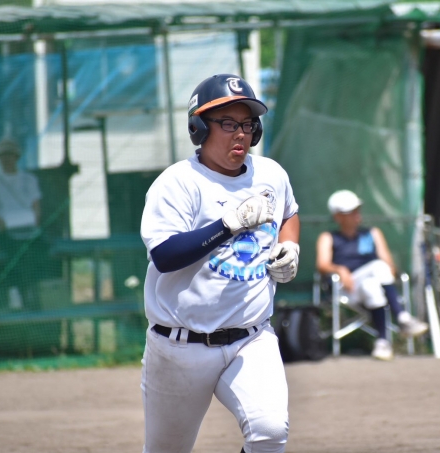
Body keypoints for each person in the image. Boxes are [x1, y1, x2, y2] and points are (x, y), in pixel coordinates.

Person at [139, 74, 299, 453]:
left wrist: (290, 247)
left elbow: (289, 212)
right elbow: (165, 256)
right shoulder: (178, 183)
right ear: (199, 127)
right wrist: (227, 225)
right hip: (180, 347)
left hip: (251, 338)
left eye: (247, 123)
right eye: (227, 123)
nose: (240, 133)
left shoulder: (270, 174)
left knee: (270, 432)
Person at [316, 189, 428, 361]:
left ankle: (382, 342)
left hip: (373, 284)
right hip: (346, 289)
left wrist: (389, 271)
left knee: (373, 283)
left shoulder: (372, 233)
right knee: (378, 267)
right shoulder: (328, 237)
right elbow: (322, 264)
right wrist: (340, 270)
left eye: (357, 210)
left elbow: (388, 265)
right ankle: (402, 317)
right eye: (350, 211)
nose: (356, 214)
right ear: (338, 217)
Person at [0, 138, 42, 310]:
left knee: (39, 249)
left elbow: (36, 205)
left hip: (27, 227)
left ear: (17, 157)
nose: (7, 159)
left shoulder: (29, 179)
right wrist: (0, 222)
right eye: (3, 156)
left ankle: (35, 291)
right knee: (13, 254)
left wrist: (35, 221)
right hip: (3, 228)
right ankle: (16, 293)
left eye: (10, 155)